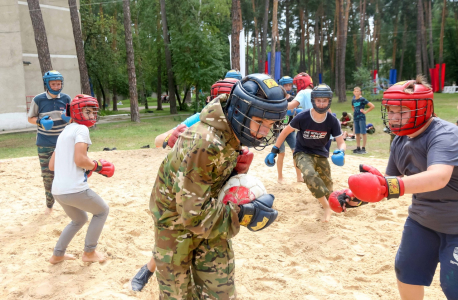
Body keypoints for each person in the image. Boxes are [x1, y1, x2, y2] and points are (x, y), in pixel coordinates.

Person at [133, 74, 287, 297]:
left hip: (208, 214)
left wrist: (235, 172)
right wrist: (243, 214)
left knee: (220, 290)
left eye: (271, 124)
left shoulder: (230, 131)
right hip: (176, 223)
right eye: (260, 122)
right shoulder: (207, 142)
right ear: (238, 112)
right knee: (178, 294)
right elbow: (193, 215)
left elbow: (206, 184)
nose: (264, 131)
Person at [346, 77, 458, 300]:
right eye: (391, 111)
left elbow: (438, 177)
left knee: (453, 285)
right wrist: (355, 196)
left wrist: (388, 186)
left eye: (402, 111)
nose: (395, 117)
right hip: (422, 221)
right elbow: (389, 179)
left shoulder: (444, 135)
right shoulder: (400, 139)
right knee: (406, 270)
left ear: (424, 108)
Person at [48, 94, 115, 264]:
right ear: (77, 112)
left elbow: (52, 165)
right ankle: (89, 252)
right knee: (102, 211)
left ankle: (57, 255)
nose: (92, 116)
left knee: (79, 219)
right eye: (87, 112)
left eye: (93, 112)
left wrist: (83, 169)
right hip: (74, 190)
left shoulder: (64, 132)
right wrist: (97, 166)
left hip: (58, 191)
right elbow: (80, 159)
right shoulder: (81, 130)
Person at [265, 84, 346, 222]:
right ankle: (327, 208)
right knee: (309, 175)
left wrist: (341, 151)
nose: (321, 104)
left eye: (324, 101)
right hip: (302, 153)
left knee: (328, 186)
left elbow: (341, 141)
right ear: (313, 100)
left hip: (321, 154)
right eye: (318, 100)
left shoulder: (332, 120)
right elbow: (284, 132)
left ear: (329, 101)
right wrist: (274, 150)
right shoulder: (303, 117)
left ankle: (329, 202)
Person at [27, 70, 72, 214]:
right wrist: (40, 122)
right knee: (48, 175)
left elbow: (72, 118)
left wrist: (68, 118)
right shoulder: (38, 99)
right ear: (47, 84)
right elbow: (30, 118)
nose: (57, 86)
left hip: (63, 142)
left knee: (67, 173)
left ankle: (69, 203)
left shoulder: (66, 98)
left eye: (59, 83)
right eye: (53, 83)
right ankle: (49, 205)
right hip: (45, 142)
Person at [274, 76, 303, 183]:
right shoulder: (276, 98)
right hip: (278, 130)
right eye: (286, 85)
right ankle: (280, 177)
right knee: (281, 153)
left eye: (290, 85)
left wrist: (296, 111)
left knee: (296, 152)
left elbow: (296, 111)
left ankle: (299, 177)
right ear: (281, 86)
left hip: (290, 130)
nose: (288, 87)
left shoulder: (293, 99)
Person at [352, 86, 375, 154]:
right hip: (356, 118)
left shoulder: (362, 99)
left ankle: (363, 148)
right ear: (353, 92)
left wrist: (365, 112)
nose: (356, 92)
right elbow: (353, 107)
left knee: (363, 133)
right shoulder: (353, 100)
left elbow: (372, 106)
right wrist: (355, 112)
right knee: (357, 133)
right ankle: (358, 147)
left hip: (361, 118)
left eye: (357, 91)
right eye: (355, 91)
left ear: (360, 92)